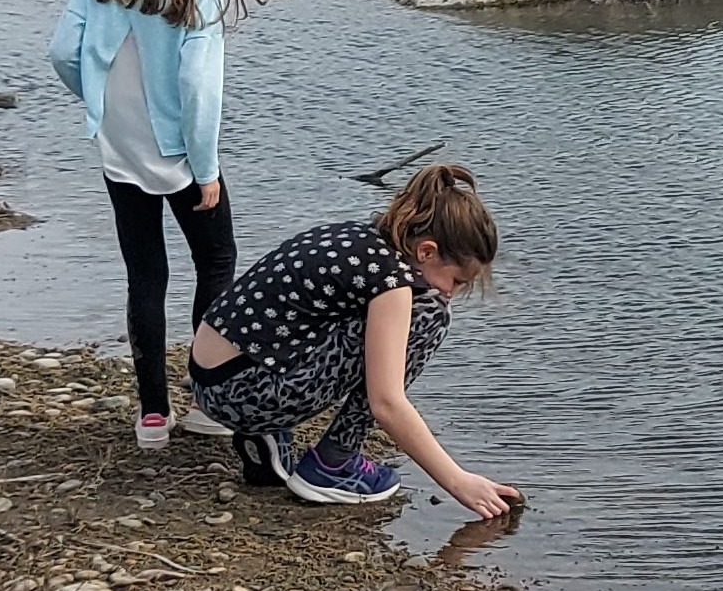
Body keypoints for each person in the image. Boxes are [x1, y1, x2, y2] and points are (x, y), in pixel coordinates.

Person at [49, 0, 284, 452]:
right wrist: (205, 170)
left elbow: (60, 52)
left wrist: (98, 103)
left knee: (146, 274)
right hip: (180, 155)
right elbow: (199, 92)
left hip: (119, 150)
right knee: (218, 262)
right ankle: (210, 403)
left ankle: (153, 415)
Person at [184, 162, 522, 517]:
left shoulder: (361, 238)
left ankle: (268, 430)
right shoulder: (392, 282)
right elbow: (386, 403)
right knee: (431, 315)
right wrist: (458, 481)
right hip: (244, 394)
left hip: (213, 384)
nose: (451, 293)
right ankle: (333, 464)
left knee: (404, 312)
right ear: (426, 252)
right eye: (456, 281)